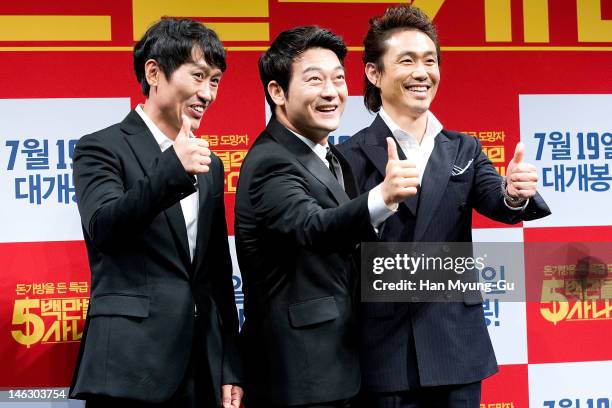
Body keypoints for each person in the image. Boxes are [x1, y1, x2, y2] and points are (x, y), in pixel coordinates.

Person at [337, 5, 551, 408]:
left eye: (430, 61)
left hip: (456, 345)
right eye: (407, 61)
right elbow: (340, 244)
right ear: (374, 73)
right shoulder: (349, 155)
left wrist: (516, 193)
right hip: (384, 349)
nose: (423, 72)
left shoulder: (463, 148)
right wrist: (380, 203)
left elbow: (499, 201)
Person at [234, 26, 418, 408]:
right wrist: (381, 197)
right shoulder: (270, 160)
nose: (331, 92)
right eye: (315, 80)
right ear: (277, 92)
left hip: (344, 365)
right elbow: (312, 227)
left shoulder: (329, 157)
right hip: (300, 376)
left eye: (338, 78)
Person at [70, 18, 242, 408]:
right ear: (154, 72)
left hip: (199, 367)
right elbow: (105, 227)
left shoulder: (209, 164)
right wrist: (172, 170)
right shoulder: (101, 147)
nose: (208, 93)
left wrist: (229, 362)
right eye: (198, 75)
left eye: (214, 80)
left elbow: (216, 274)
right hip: (128, 368)